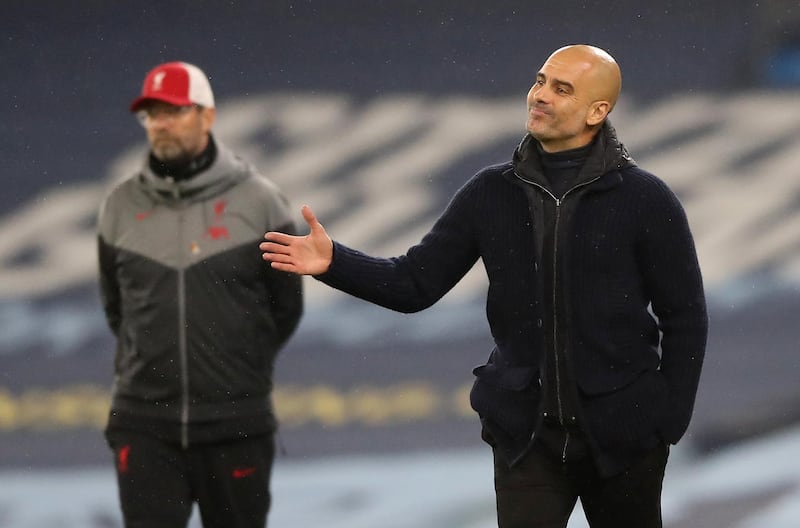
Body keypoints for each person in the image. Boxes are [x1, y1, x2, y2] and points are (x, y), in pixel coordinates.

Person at [260, 44, 707, 527]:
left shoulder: (645, 198)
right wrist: (334, 262)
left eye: (562, 89)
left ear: (598, 111)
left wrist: (667, 419)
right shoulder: (489, 192)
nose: (540, 96)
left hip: (626, 436)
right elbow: (414, 284)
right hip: (527, 440)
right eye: (540, 81)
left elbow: (684, 315)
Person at [97, 61, 303, 528]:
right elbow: (117, 307)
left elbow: (285, 308)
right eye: (151, 114)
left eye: (173, 111)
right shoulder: (119, 205)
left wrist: (236, 371)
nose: (161, 123)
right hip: (144, 424)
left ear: (207, 117)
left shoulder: (260, 202)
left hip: (236, 424)